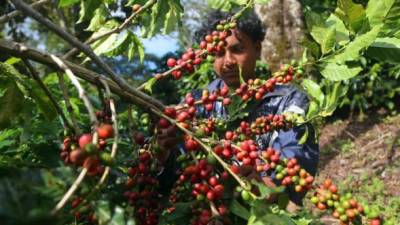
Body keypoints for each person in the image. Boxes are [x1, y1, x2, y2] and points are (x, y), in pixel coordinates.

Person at [156, 10, 319, 210]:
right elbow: (172, 175)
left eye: (238, 49)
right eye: (218, 53)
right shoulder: (196, 104)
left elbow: (296, 156)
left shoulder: (289, 101)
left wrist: (268, 185)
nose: (228, 61)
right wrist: (162, 153)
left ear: (258, 49)